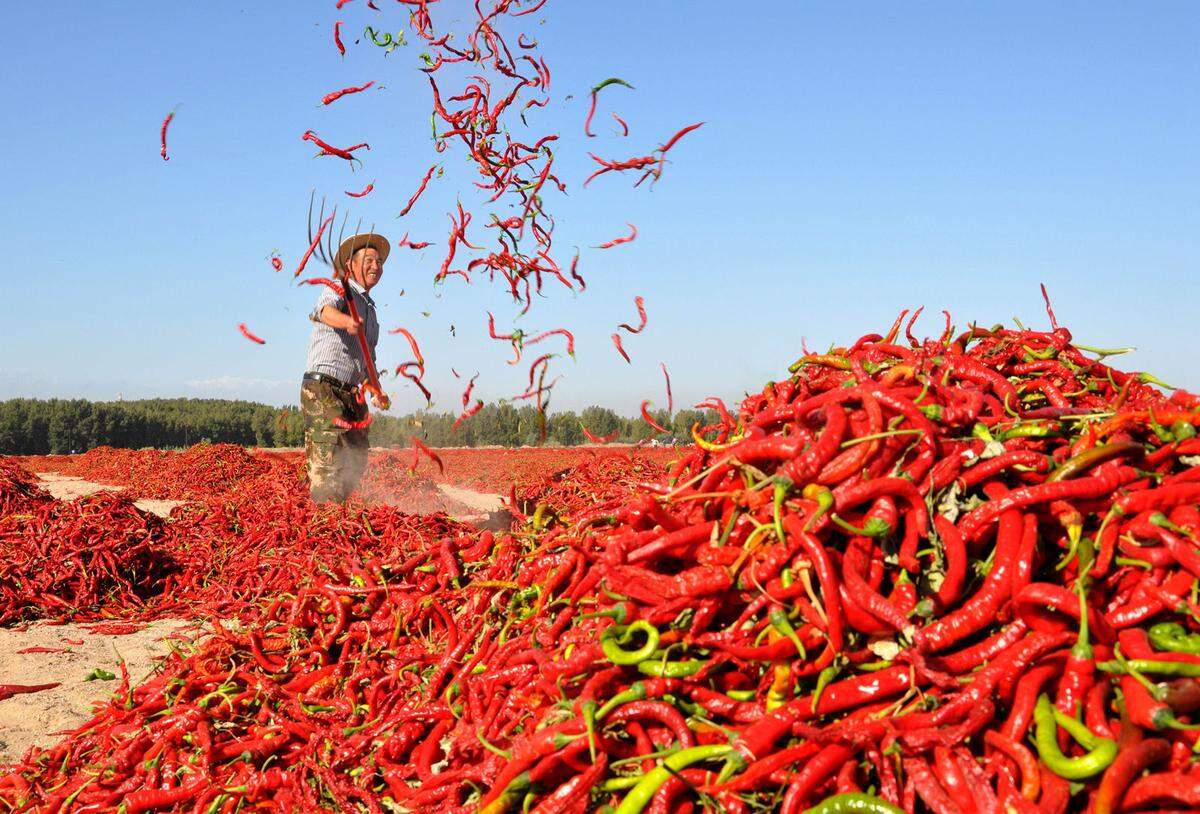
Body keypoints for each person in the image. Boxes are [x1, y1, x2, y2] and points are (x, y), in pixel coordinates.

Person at [300, 232, 390, 503]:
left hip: (352, 392)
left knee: (357, 453)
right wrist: (346, 321)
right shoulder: (340, 288)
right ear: (350, 265)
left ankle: (335, 512)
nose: (376, 266)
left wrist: (376, 389)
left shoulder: (371, 311)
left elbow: (367, 357)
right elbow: (322, 311)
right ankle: (324, 521)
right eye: (369, 260)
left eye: (379, 261)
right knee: (329, 456)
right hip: (324, 387)